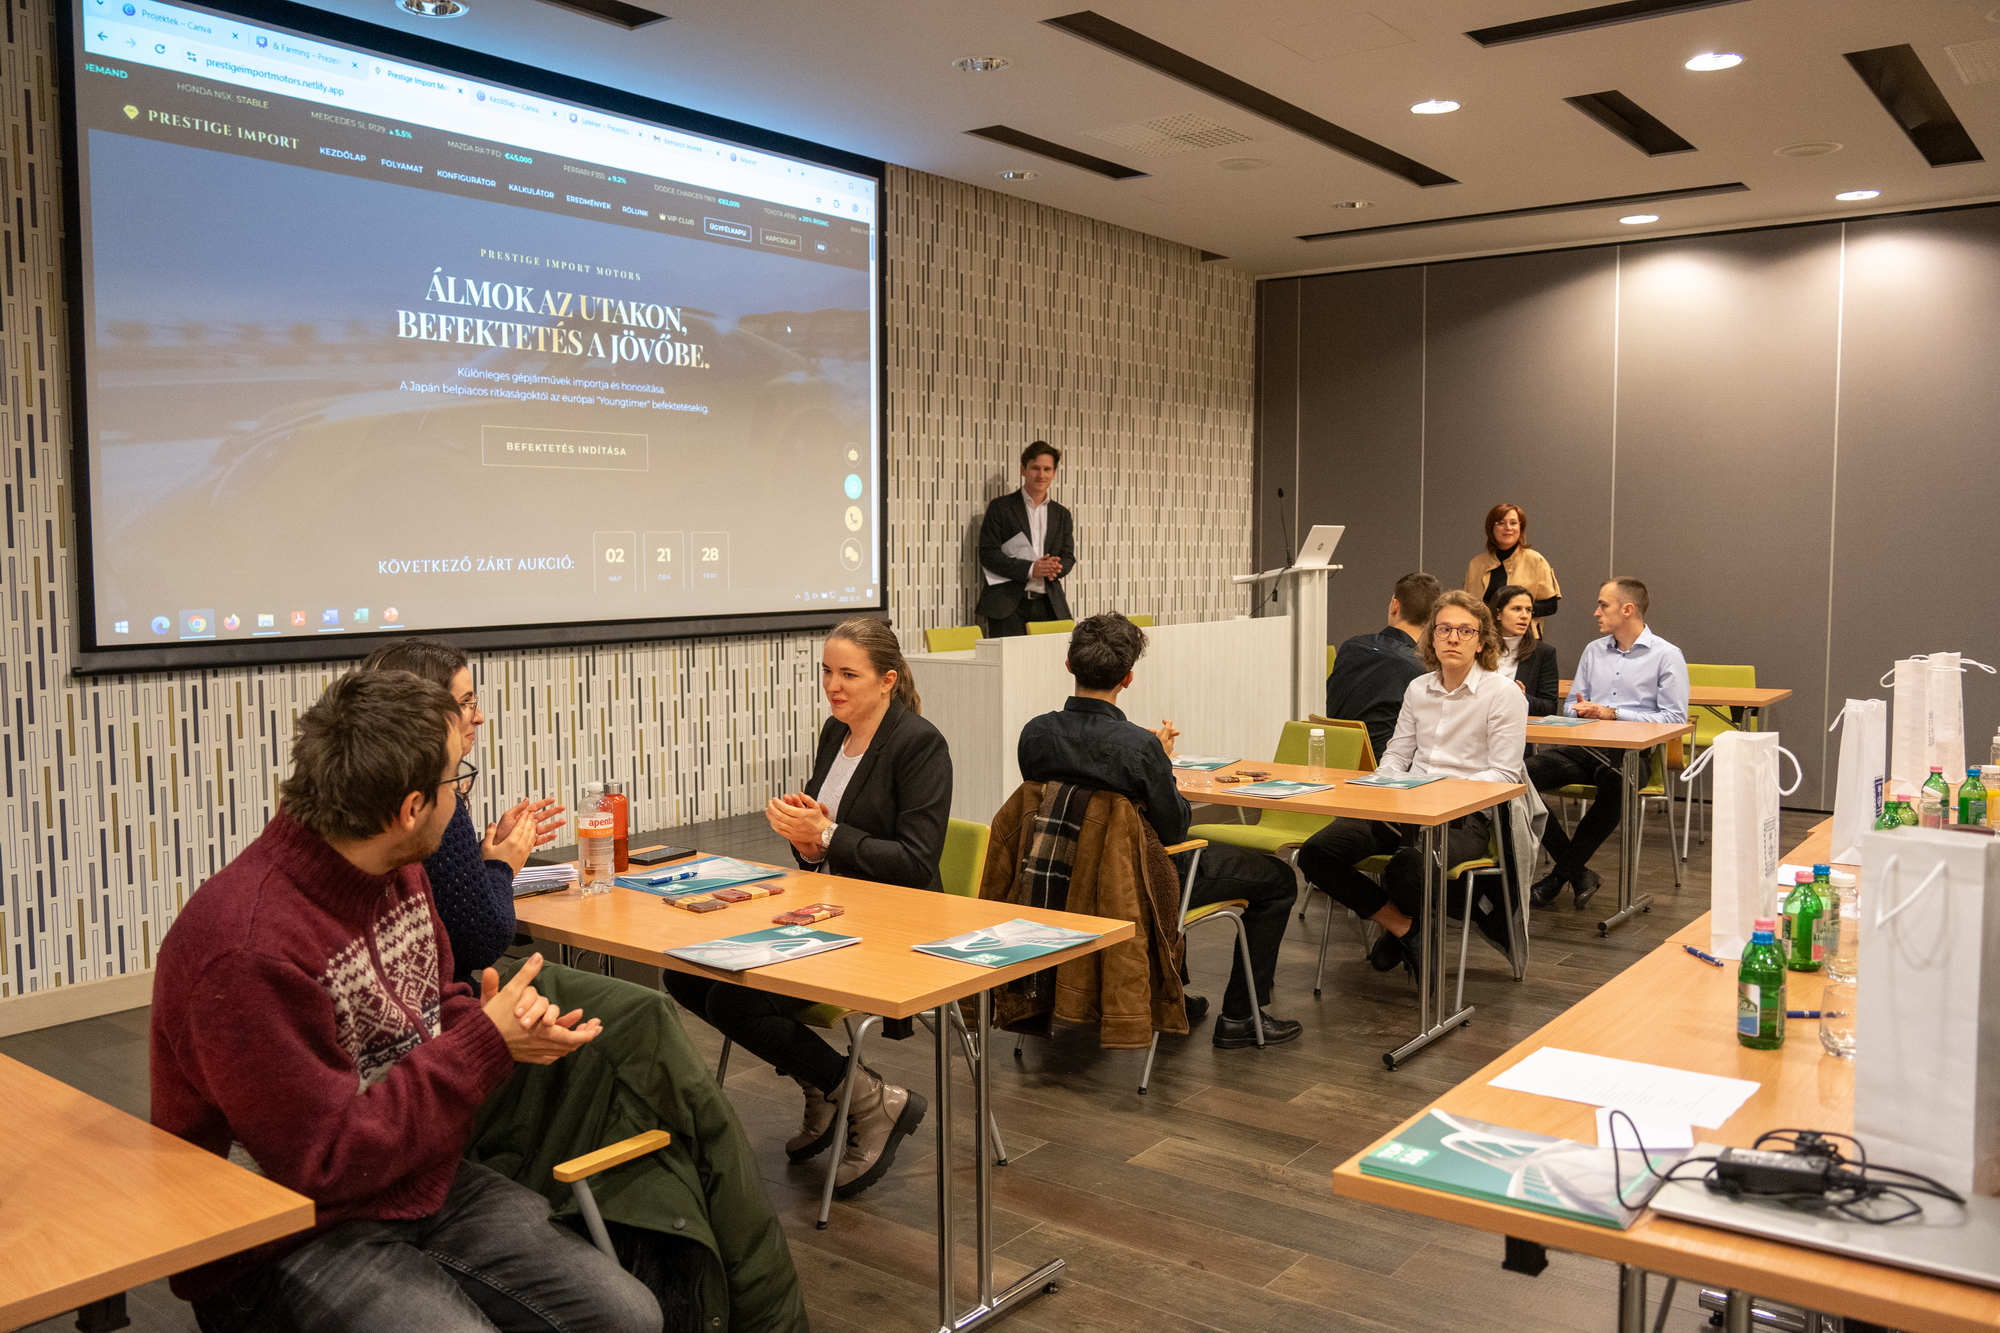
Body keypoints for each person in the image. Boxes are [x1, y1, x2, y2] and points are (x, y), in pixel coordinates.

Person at [150, 670, 659, 1333]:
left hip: (413, 1176)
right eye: (456, 779)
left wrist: (495, 1024)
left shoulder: (395, 869)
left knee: (629, 1316)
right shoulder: (246, 951)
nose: (462, 794)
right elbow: (323, 1164)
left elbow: (430, 1008)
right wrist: (483, 1044)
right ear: (412, 808)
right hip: (285, 1236)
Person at [665, 617, 946, 1201]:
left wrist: (828, 834)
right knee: (685, 974)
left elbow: (916, 863)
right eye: (826, 671)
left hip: (892, 925)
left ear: (888, 680)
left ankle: (866, 1098)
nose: (832, 686)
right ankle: (831, 1084)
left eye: (848, 674)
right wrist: (806, 839)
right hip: (832, 912)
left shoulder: (920, 743)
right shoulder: (834, 733)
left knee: (734, 999)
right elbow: (824, 841)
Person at [1016, 613, 1303, 1049]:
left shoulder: (1036, 734)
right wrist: (1161, 763)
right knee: (1279, 879)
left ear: (1069, 665)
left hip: (1058, 877)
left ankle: (1169, 997)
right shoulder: (1139, 746)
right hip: (1134, 884)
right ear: (1128, 678)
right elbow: (1174, 831)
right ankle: (1241, 1017)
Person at [1297, 591, 1528, 975]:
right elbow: (1396, 754)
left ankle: (1406, 939)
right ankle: (1405, 928)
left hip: (1464, 817)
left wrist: (1441, 790)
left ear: (1481, 641)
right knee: (1317, 853)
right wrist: (1381, 785)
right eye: (1444, 629)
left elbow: (1504, 775)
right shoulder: (1418, 688)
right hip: (1405, 808)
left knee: (1408, 867)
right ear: (1431, 637)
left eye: (1465, 631)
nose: (1453, 638)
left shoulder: (1502, 694)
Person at [359, 638, 566, 978]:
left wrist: (480, 857)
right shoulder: (431, 799)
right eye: (466, 703)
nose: (479, 717)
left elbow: (441, 901)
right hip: (448, 996)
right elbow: (481, 941)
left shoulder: (369, 789)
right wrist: (501, 866)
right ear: (423, 714)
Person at [1527, 577, 1689, 910]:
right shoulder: (1593, 651)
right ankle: (1578, 873)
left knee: (1618, 783)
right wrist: (1582, 710)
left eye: (1603, 605)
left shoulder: (1666, 655)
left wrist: (1613, 713)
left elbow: (1674, 719)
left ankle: (1558, 877)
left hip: (1630, 755)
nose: (1596, 612)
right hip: (1581, 749)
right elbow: (1570, 707)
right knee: (1516, 778)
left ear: (1627, 610)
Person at [1325, 572, 1441, 760]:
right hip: (1388, 766)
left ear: (1395, 605)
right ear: (1435, 617)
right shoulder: (1421, 670)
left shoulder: (1350, 647)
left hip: (1334, 758)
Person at [976, 441, 1075, 636]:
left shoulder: (1061, 514)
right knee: (1009, 657)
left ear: (1054, 473)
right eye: (1035, 468)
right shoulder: (1001, 507)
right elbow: (988, 553)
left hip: (1050, 603)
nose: (1041, 475)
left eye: (1047, 469)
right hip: (1007, 605)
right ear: (1023, 470)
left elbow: (1068, 556)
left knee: (1052, 655)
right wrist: (1030, 569)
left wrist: (1055, 567)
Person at [1463, 503, 1560, 633]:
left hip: (1524, 638)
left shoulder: (1536, 561)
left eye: (1513, 523)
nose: (1508, 528)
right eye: (1501, 523)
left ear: (1521, 527)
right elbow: (1466, 605)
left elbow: (1551, 606)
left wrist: (1517, 611)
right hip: (1484, 637)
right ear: (1491, 528)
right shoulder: (1476, 564)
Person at [1487, 583, 1563, 718]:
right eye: (1517, 609)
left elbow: (1550, 707)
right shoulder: (1479, 648)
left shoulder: (1543, 653)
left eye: (1528, 610)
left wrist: (1522, 697)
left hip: (1518, 725)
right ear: (1498, 614)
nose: (1524, 616)